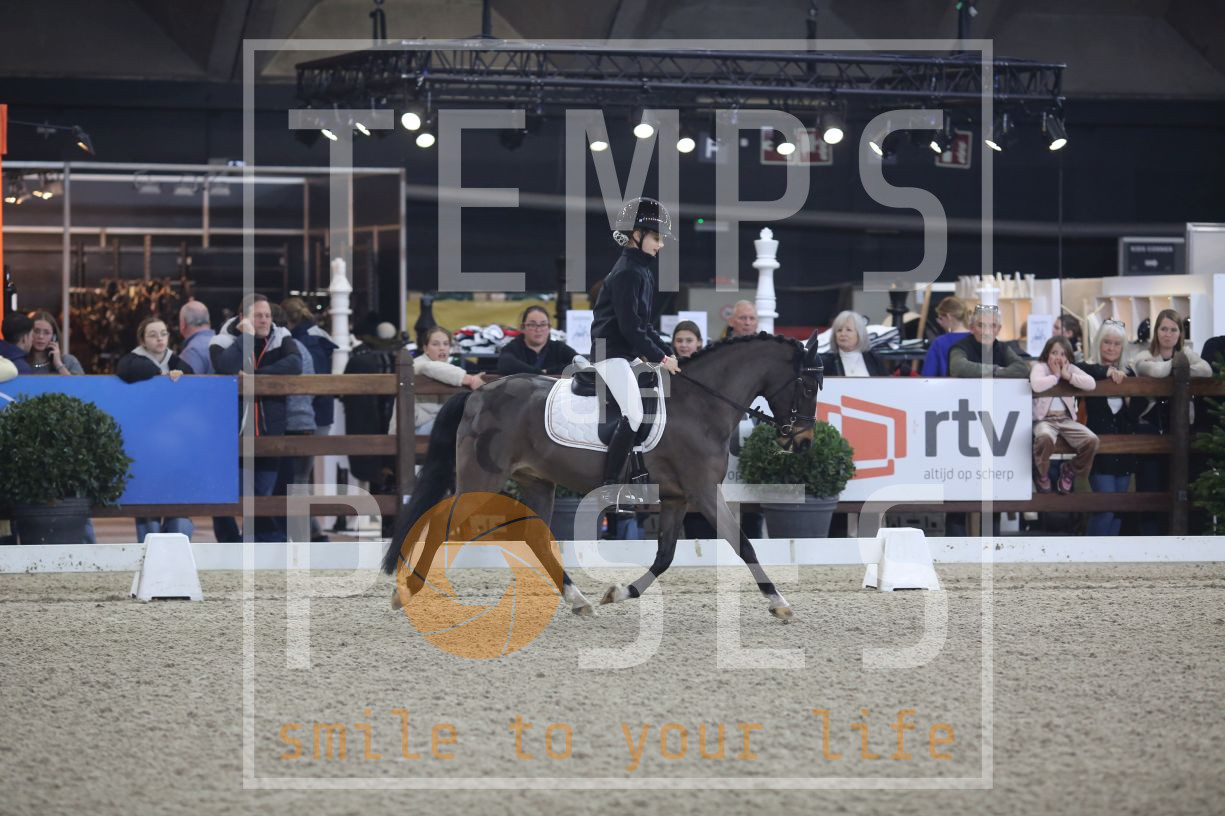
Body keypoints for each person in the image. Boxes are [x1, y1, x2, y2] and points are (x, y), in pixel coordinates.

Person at [589, 196, 681, 509]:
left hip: (624, 353)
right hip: (610, 352)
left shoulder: (641, 271)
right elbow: (630, 328)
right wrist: (662, 358)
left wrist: (669, 353)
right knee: (635, 413)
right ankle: (610, 487)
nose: (661, 245)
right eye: (656, 238)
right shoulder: (628, 272)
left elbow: (645, 326)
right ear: (637, 235)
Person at [211, 293, 304, 542]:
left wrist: (256, 376)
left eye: (267, 315)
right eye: (258, 316)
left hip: (269, 431)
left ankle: (256, 545)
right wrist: (246, 337)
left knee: (263, 495)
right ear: (243, 318)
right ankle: (231, 543)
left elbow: (295, 364)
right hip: (233, 432)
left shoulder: (281, 336)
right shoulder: (221, 340)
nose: (264, 320)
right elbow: (225, 367)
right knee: (232, 493)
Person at [1130, 309, 1212, 534]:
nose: (1168, 334)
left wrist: (1178, 366)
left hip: (1181, 429)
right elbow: (1153, 370)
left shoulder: (1186, 353)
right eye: (1164, 329)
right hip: (1152, 430)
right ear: (1156, 331)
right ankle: (1150, 538)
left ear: (1180, 333)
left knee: (1178, 485)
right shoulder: (1143, 355)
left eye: (1173, 330)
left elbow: (1206, 370)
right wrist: (1179, 367)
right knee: (1151, 487)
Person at [116, 316, 195, 542]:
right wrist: (160, 375)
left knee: (177, 499)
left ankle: (175, 547)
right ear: (142, 340)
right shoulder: (133, 359)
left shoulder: (176, 361)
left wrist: (180, 376)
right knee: (147, 501)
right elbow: (125, 369)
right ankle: (148, 548)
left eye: (163, 334)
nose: (159, 339)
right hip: (144, 440)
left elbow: (193, 378)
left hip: (176, 442)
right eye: (152, 335)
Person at [1081, 320, 1136, 535]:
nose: (1111, 348)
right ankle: (1092, 553)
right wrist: (1105, 371)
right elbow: (1077, 368)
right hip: (1099, 451)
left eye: (1116, 343)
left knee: (1118, 510)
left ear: (1122, 347)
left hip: (1125, 450)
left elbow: (1135, 414)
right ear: (1099, 343)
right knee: (1105, 509)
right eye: (1107, 342)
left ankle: (1111, 555)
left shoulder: (1129, 374)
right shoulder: (1087, 369)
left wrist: (1129, 396)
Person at [1030, 336, 1098, 494]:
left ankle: (1070, 469)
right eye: (1054, 353)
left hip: (1065, 419)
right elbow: (1036, 385)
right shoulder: (1040, 367)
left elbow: (1091, 384)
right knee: (1044, 437)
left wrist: (1068, 376)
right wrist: (1055, 377)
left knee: (1092, 440)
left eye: (1063, 354)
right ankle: (1042, 474)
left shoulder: (1070, 369)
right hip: (1044, 420)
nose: (1058, 357)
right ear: (1047, 354)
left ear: (1068, 357)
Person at [396, 326, 482, 435]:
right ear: (426, 348)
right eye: (435, 344)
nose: (442, 348)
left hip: (436, 424)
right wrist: (471, 380)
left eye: (446, 344)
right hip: (413, 429)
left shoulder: (448, 369)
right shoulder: (417, 364)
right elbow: (429, 367)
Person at [948, 305, 1030, 379]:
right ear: (972, 328)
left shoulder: (1003, 348)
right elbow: (958, 367)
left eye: (992, 326)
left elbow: (1022, 368)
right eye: (981, 325)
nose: (987, 332)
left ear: (998, 329)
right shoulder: (961, 347)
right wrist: (996, 370)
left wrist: (996, 372)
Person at [497, 305, 580, 376]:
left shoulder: (558, 348)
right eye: (532, 325)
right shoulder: (513, 347)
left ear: (549, 328)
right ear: (523, 327)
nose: (538, 329)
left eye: (543, 324)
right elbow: (505, 363)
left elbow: (581, 364)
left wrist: (548, 371)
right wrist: (539, 373)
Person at [820, 311, 888, 376]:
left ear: (859, 334)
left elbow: (886, 382)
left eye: (848, 330)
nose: (843, 334)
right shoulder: (826, 363)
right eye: (839, 330)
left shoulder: (874, 359)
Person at [921, 296, 970, 376]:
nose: (939, 323)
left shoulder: (939, 343)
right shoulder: (977, 339)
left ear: (949, 317)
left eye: (940, 318)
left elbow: (928, 375)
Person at [178, 300, 215, 375]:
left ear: (183, 324)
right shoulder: (223, 343)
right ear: (209, 321)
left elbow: (187, 382)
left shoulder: (191, 352)